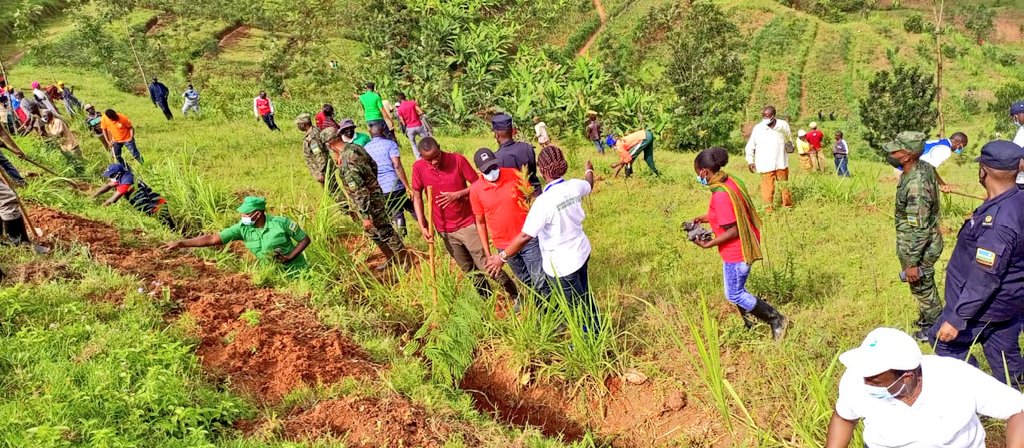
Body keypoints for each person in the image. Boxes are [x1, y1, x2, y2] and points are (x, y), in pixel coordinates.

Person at [826, 327, 1024, 448]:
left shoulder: (957, 377)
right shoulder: (857, 377)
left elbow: (1018, 409)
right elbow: (844, 417)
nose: (865, 384)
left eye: (875, 382)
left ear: (907, 377)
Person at [930, 140, 1024, 386]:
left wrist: (956, 318)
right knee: (1008, 364)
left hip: (984, 309)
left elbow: (985, 278)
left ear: (983, 170)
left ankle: (977, 392)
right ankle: (1015, 404)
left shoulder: (999, 223)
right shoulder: (1015, 200)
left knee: (943, 343)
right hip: (1009, 306)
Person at [484, 146, 597, 330]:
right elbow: (589, 184)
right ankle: (595, 328)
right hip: (582, 253)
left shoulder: (544, 202)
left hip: (563, 266)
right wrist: (589, 169)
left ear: (542, 171)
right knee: (585, 295)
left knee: (575, 307)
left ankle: (588, 338)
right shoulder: (575, 185)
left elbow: (525, 236)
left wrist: (501, 257)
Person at [690, 147, 787, 339]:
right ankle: (749, 323)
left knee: (734, 294)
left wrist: (709, 244)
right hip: (744, 244)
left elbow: (732, 230)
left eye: (697, 173)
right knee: (737, 289)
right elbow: (730, 214)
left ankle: (776, 319)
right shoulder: (729, 181)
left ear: (703, 172)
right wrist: (704, 218)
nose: (699, 177)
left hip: (737, 252)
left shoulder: (720, 195)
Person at [412, 137, 519, 301]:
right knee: (468, 269)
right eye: (429, 159)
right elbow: (417, 197)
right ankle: (487, 299)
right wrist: (422, 224)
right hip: (444, 229)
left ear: (440, 148)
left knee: (486, 264)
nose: (434, 162)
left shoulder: (457, 160)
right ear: (421, 156)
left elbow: (478, 185)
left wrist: (458, 194)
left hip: (467, 223)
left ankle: (515, 294)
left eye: (436, 157)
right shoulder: (418, 168)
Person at [322, 127, 410, 269]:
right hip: (375, 193)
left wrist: (365, 216)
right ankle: (391, 258)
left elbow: (359, 190)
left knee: (384, 230)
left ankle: (405, 261)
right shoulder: (355, 147)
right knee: (373, 232)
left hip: (369, 201)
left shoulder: (347, 163)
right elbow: (373, 165)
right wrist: (372, 183)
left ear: (329, 145)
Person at [470, 148, 548, 301]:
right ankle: (540, 309)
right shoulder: (476, 190)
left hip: (527, 237)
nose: (493, 171)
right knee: (525, 279)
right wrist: (487, 253)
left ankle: (554, 311)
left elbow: (529, 196)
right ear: (479, 171)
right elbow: (480, 222)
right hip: (503, 245)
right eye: (487, 170)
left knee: (539, 278)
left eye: (494, 166)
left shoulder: (514, 174)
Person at [886, 132, 942, 342]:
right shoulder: (921, 167)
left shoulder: (915, 186)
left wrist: (911, 263)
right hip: (918, 242)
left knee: (922, 286)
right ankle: (928, 319)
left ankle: (934, 330)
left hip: (919, 246)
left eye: (896, 149)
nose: (891, 152)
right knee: (922, 286)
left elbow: (919, 229)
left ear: (907, 155)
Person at [164, 196, 310, 273]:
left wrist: (290, 256)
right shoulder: (242, 229)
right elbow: (213, 238)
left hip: (297, 272)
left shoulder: (281, 223)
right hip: (273, 274)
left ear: (258, 214)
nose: (243, 217)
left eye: (246, 214)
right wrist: (181, 243)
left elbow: (304, 239)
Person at [363, 123, 413, 236]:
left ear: (370, 134)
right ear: (383, 132)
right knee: (413, 208)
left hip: (381, 188)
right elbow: (397, 165)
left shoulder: (366, 149)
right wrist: (407, 186)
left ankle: (402, 235)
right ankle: (426, 228)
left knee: (396, 212)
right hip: (395, 184)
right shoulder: (390, 144)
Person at [92, 163, 174, 228]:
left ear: (118, 174)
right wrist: (92, 196)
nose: (110, 178)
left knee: (167, 226)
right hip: (151, 206)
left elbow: (112, 200)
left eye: (111, 175)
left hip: (157, 207)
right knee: (165, 224)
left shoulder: (127, 181)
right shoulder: (123, 177)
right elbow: (109, 185)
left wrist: (98, 209)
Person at [745, 105, 793, 211]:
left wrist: (790, 145)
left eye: (767, 116)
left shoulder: (782, 125)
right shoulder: (758, 128)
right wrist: (750, 161)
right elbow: (750, 145)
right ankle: (769, 210)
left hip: (781, 162)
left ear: (773, 116)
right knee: (768, 189)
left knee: (784, 186)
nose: (765, 118)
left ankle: (788, 206)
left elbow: (788, 138)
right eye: (763, 116)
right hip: (765, 164)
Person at [492, 113, 541, 194]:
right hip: (535, 195)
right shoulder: (527, 147)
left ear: (496, 135)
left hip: (515, 199)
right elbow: (532, 171)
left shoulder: (496, 158)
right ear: (513, 131)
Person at [40, 110, 83, 174]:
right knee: (73, 163)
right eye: (43, 117)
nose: (44, 118)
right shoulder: (49, 124)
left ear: (50, 116)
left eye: (45, 116)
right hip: (64, 147)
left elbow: (58, 134)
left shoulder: (57, 122)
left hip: (71, 145)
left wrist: (48, 139)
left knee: (79, 162)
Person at [396, 92, 429, 158]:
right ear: (405, 97)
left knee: (413, 144)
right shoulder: (412, 103)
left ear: (399, 99)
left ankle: (418, 158)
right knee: (426, 140)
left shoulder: (399, 109)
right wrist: (417, 115)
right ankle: (428, 153)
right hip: (418, 125)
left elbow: (403, 122)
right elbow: (421, 112)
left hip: (409, 128)